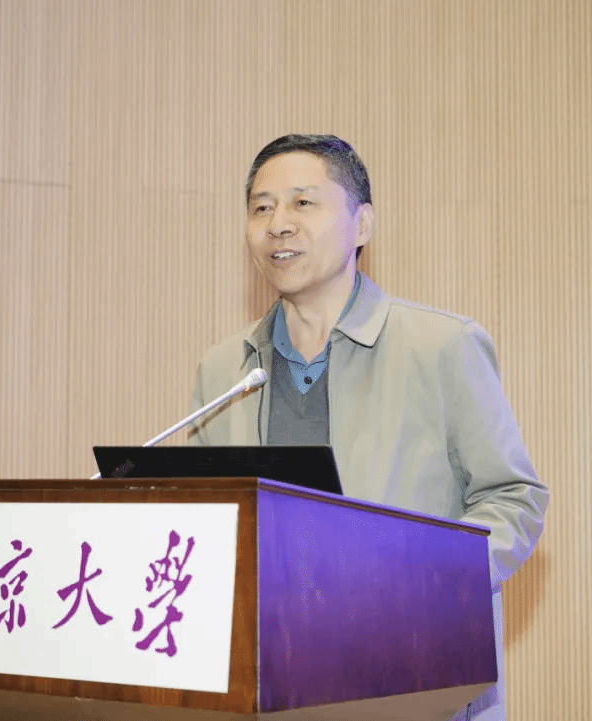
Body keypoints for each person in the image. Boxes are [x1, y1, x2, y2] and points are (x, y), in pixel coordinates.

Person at [188, 134, 548, 721]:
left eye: (303, 203)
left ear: (362, 225)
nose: (278, 224)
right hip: (266, 688)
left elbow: (514, 498)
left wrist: (423, 584)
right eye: (261, 207)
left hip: (412, 682)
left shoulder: (442, 346)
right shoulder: (224, 369)